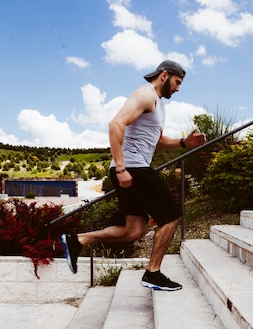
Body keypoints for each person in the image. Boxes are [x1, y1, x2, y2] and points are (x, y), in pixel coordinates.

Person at [60, 60, 206, 291]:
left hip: (132, 168)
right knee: (171, 215)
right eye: (177, 83)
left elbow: (155, 142)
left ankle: (78, 240)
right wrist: (121, 167)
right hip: (133, 168)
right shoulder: (145, 94)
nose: (178, 89)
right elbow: (116, 124)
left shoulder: (157, 103)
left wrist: (183, 142)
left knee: (135, 230)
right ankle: (153, 273)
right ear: (164, 75)